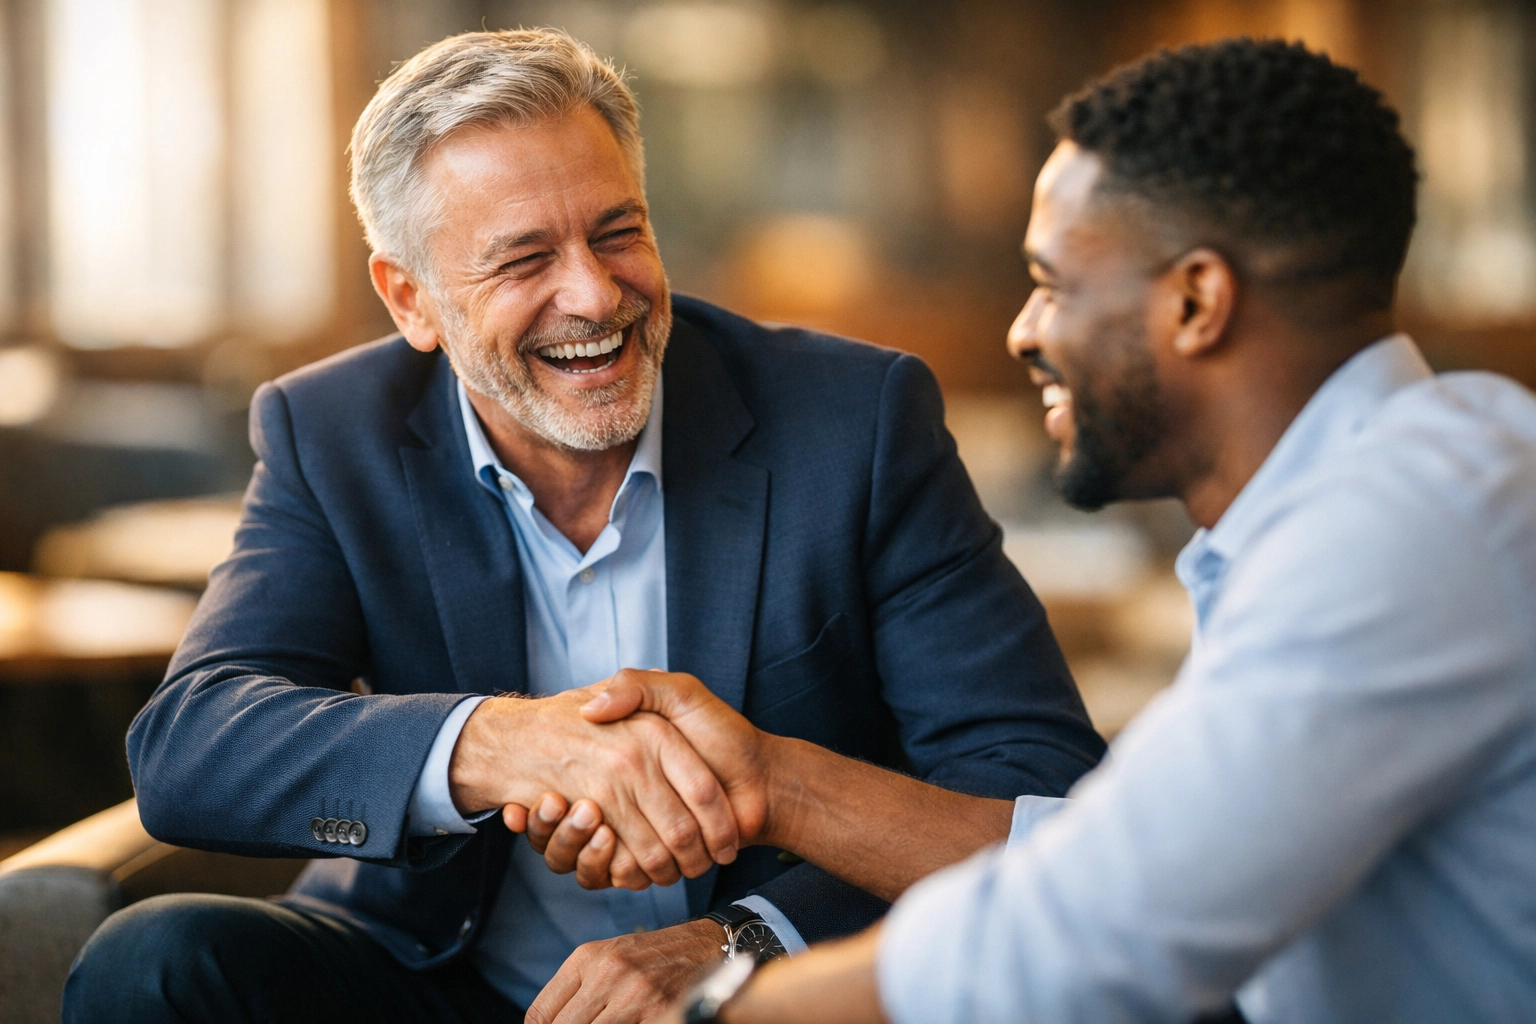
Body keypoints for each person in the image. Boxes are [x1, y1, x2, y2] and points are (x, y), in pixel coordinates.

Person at [60, 27, 1105, 1024]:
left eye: (618, 233)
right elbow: (191, 745)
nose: (596, 296)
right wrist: (504, 744)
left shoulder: (854, 419)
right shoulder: (334, 430)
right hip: (436, 974)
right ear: (410, 299)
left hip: (762, 995)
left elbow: (1038, 789)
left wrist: (744, 943)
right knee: (151, 962)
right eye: (524, 260)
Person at [529, 38, 1536, 1023]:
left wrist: (720, 1006)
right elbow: (1110, 857)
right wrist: (773, 784)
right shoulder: (1402, 492)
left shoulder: (1409, 526)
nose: (1023, 331)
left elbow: (1097, 925)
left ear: (1197, 302)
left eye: (1054, 284)